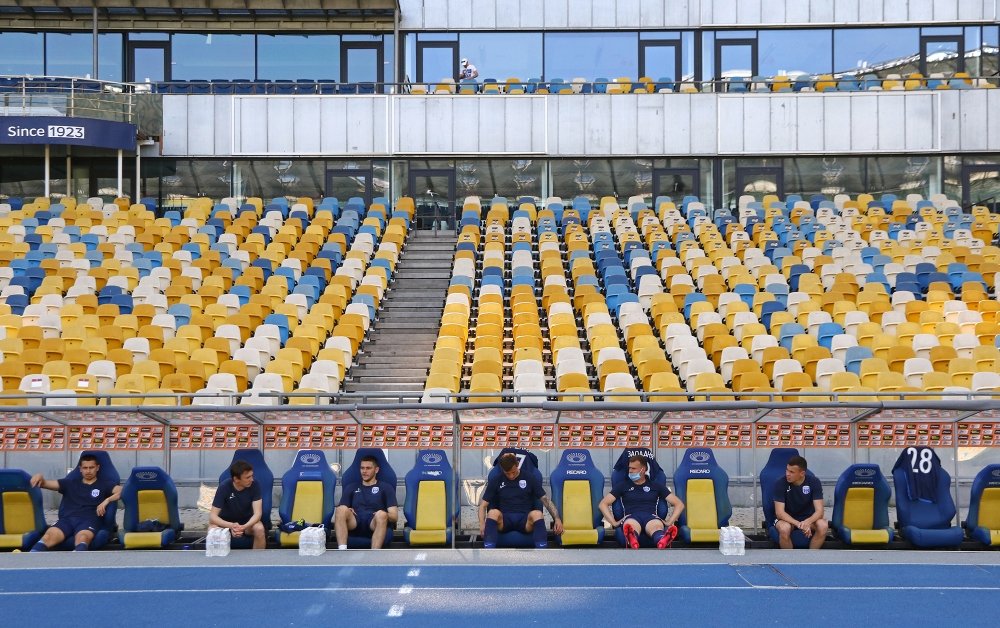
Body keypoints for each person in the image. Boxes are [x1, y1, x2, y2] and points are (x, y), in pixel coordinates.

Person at [29, 453, 121, 551]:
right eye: (85, 468)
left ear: (97, 468)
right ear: (80, 469)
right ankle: (29, 561)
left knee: (82, 538)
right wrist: (39, 476)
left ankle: (77, 561)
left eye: (91, 467)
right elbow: (44, 483)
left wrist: (107, 500)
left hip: (89, 520)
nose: (88, 471)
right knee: (48, 537)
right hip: (67, 520)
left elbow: (124, 491)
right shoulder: (69, 483)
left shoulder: (105, 484)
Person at [479, 453, 563, 548]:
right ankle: (488, 553)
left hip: (525, 521)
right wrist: (482, 524)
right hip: (504, 520)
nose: (511, 476)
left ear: (517, 464)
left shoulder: (530, 477)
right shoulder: (496, 479)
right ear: (502, 469)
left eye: (513, 472)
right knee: (492, 513)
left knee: (537, 513)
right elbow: (482, 506)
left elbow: (546, 501)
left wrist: (557, 519)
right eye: (507, 473)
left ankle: (542, 553)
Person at [599, 455, 683, 549]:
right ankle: (632, 537)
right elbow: (603, 504)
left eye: (633, 468)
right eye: (629, 468)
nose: (630, 471)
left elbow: (679, 504)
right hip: (631, 516)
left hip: (651, 516)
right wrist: (614, 523)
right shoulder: (623, 485)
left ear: (642, 470)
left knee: (656, 527)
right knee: (631, 526)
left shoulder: (655, 486)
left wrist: (669, 522)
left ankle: (662, 540)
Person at [335, 455, 398, 549]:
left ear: (376, 470)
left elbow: (394, 516)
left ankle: (373, 555)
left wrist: (383, 513)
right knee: (341, 509)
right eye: (362, 468)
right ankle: (342, 550)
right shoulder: (351, 487)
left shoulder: (386, 488)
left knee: (382, 514)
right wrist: (347, 509)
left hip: (374, 523)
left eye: (368, 468)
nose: (364, 471)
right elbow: (342, 512)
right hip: (355, 522)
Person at [773, 455, 828, 549]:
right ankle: (790, 561)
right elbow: (780, 513)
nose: (787, 474)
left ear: (802, 473)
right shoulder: (780, 483)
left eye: (791, 472)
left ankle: (811, 559)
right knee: (784, 528)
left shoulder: (814, 482)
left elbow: (820, 511)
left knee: (823, 525)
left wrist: (807, 522)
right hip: (787, 520)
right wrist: (799, 524)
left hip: (808, 519)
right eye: (787, 470)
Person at [210, 460, 266, 550]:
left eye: (252, 476)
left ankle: (257, 561)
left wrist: (243, 527)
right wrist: (231, 526)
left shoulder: (255, 485)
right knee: (212, 529)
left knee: (259, 528)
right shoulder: (224, 487)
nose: (252, 479)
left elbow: (258, 514)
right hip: (227, 524)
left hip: (248, 524)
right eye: (248, 477)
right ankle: (217, 562)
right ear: (236, 479)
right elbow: (213, 516)